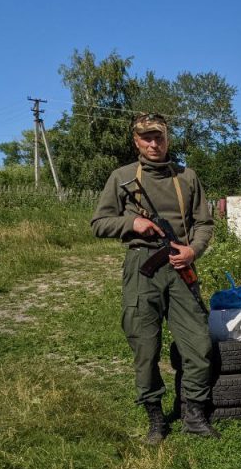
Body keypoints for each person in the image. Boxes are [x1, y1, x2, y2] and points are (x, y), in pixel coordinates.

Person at [91, 113, 217, 443]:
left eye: (158, 137)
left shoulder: (186, 177)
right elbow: (99, 223)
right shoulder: (121, 178)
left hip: (179, 265)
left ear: (167, 139)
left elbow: (205, 224)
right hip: (141, 267)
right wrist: (131, 225)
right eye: (146, 138)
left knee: (199, 344)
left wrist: (193, 251)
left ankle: (193, 413)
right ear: (136, 141)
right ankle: (155, 417)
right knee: (145, 347)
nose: (153, 143)